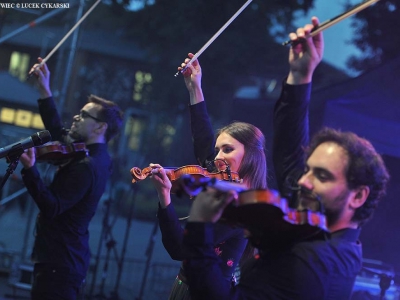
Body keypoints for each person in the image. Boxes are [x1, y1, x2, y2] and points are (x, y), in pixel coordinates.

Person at [181, 17, 390, 299]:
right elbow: (291, 156)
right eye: (310, 170)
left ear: (358, 196)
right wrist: (300, 75)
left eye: (322, 175)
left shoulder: (310, 265)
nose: (303, 181)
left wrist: (200, 229)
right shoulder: (317, 229)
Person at [148, 53, 268, 299]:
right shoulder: (222, 181)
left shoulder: (242, 207)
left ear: (252, 155)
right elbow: (203, 138)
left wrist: (165, 197)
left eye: (228, 149)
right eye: (218, 149)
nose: (216, 158)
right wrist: (195, 87)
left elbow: (180, 249)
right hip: (186, 287)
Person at [19, 58, 123, 300]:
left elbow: (52, 206)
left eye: (84, 115)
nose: (76, 118)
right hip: (60, 262)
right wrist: (45, 88)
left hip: (60, 264)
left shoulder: (88, 166)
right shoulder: (89, 153)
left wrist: (30, 170)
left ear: (100, 128)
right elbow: (58, 131)